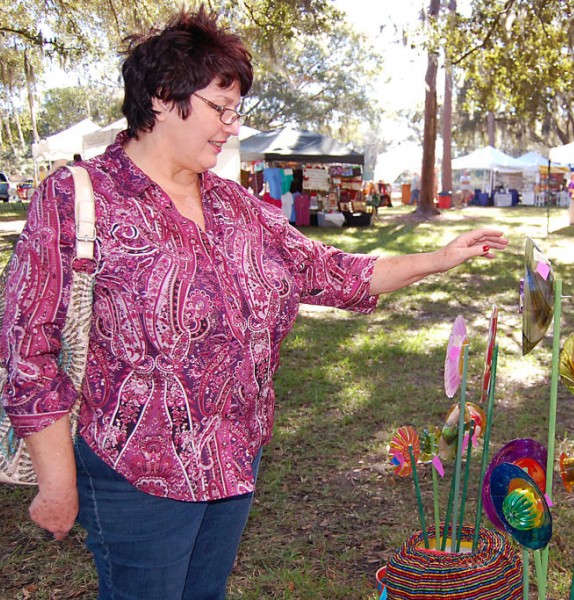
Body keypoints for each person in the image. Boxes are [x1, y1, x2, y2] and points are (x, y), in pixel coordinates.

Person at [0, 9, 508, 600]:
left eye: (236, 111)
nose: (232, 127)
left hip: (235, 460)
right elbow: (25, 345)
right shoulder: (79, 196)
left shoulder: (235, 206)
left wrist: (439, 258)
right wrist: (57, 482)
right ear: (163, 97)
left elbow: (331, 272)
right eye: (221, 108)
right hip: (135, 474)